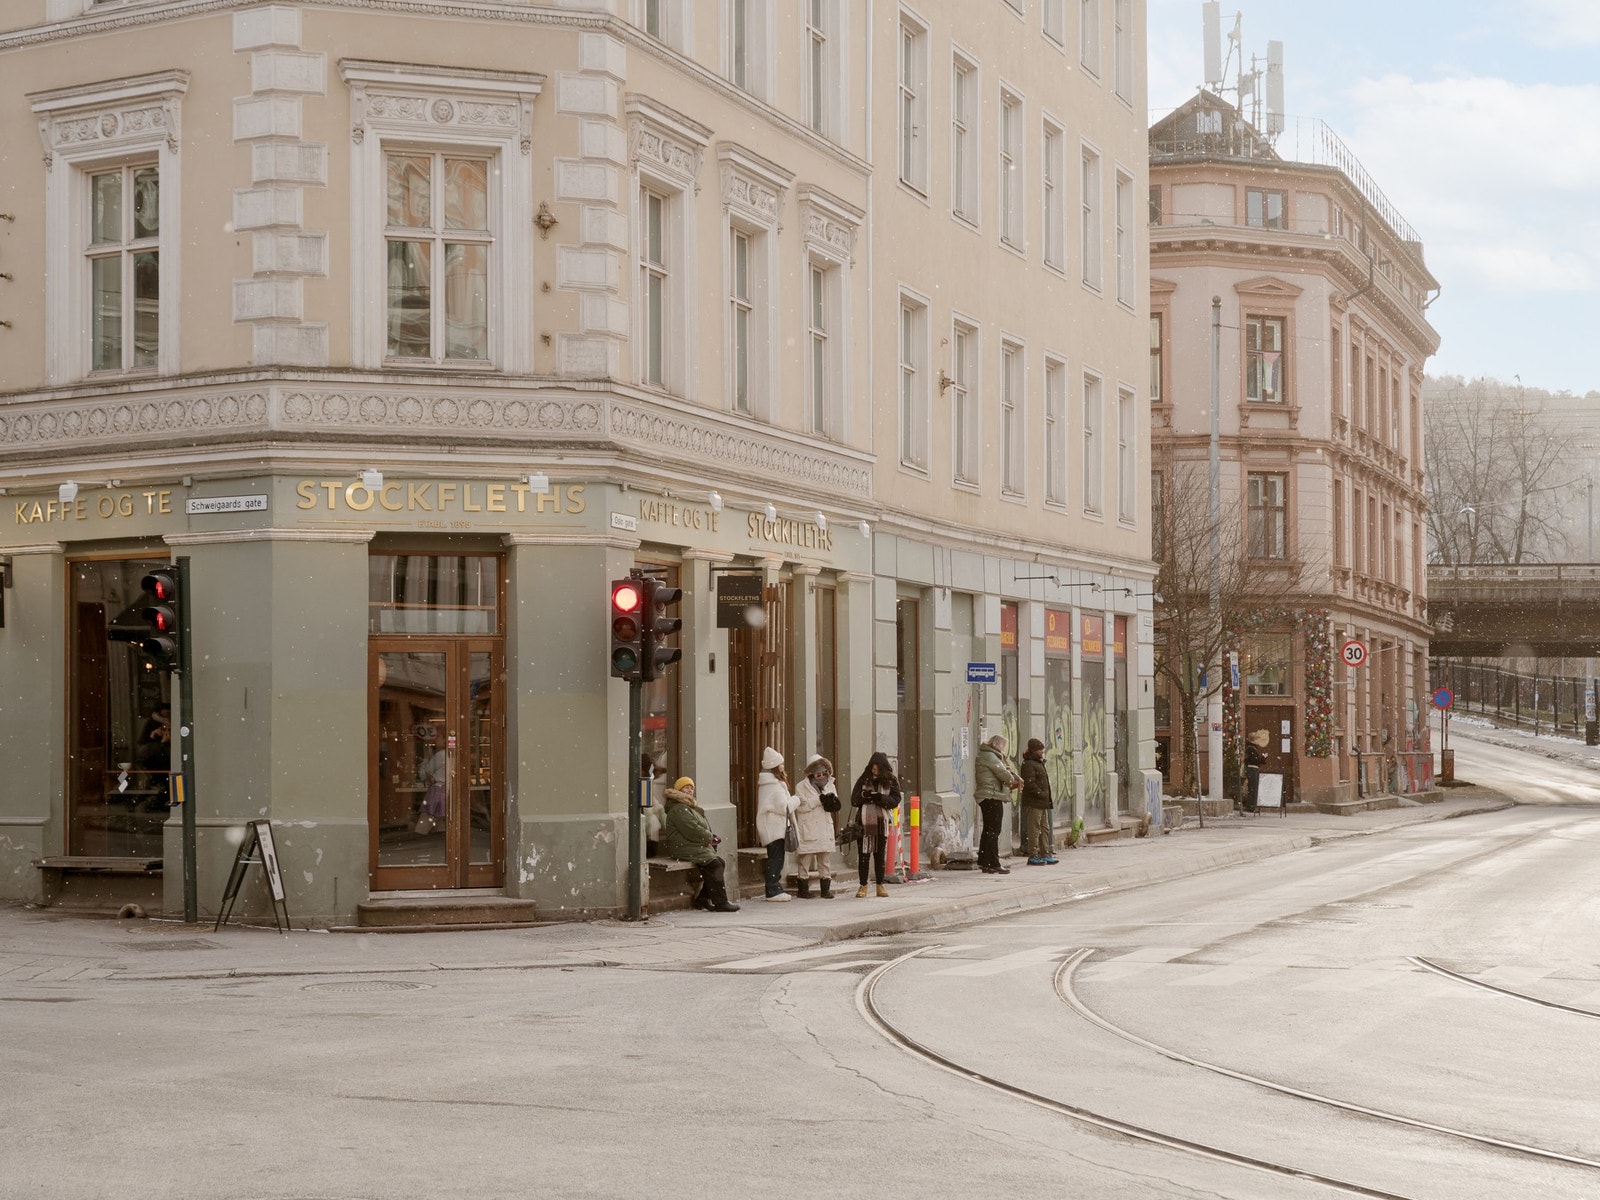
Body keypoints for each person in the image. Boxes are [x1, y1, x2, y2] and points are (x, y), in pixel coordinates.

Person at [661, 777, 739, 912]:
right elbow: (692, 830)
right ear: (678, 790)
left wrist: (710, 837)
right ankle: (721, 903)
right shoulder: (679, 808)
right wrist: (709, 837)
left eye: (691, 787)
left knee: (719, 862)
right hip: (682, 847)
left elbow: (697, 828)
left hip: (690, 845)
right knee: (715, 865)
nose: (689, 790)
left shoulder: (687, 807)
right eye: (686, 787)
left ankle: (703, 899)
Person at [850, 752, 901, 898]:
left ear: (883, 768)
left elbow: (895, 800)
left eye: (877, 768)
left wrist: (880, 798)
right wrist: (865, 796)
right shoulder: (863, 779)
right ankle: (863, 885)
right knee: (864, 855)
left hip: (881, 822)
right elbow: (854, 800)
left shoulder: (890, 781)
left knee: (879, 855)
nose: (874, 770)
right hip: (864, 822)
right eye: (872, 768)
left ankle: (880, 885)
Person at [792, 755, 841, 898]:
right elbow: (801, 807)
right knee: (805, 861)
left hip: (824, 828)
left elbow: (834, 806)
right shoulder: (801, 786)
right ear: (811, 773)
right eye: (817, 774)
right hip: (809, 827)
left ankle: (825, 890)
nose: (820, 776)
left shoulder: (831, 784)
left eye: (823, 773)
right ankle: (803, 890)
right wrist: (818, 799)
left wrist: (831, 801)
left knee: (824, 861)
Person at [974, 734, 1021, 874]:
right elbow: (1003, 774)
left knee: (988, 830)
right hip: (991, 796)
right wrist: (1013, 779)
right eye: (1003, 746)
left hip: (987, 796)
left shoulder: (985, 754)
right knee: (994, 830)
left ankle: (984, 861)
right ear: (997, 745)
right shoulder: (990, 756)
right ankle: (993, 862)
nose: (1003, 749)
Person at [755, 747, 797, 902]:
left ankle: (775, 887)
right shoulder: (773, 785)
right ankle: (772, 889)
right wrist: (797, 799)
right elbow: (784, 807)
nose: (783, 767)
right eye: (781, 764)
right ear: (775, 766)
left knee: (776, 857)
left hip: (773, 826)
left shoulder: (769, 783)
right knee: (776, 859)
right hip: (774, 827)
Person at [1020, 738, 1057, 865]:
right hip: (1034, 802)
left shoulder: (1038, 763)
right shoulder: (1029, 764)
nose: (1042, 751)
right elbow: (1030, 784)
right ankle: (1033, 855)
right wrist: (1041, 794)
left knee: (1044, 828)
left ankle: (1045, 853)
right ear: (1034, 750)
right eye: (1040, 749)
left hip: (1042, 802)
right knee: (1034, 829)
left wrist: (1044, 796)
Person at [1244, 729, 1268, 813]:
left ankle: (1252, 805)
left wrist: (1262, 758)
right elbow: (1254, 760)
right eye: (1257, 739)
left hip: (1253, 768)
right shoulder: (1251, 749)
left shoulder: (1252, 748)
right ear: (1254, 740)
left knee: (1253, 788)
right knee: (1253, 788)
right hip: (1252, 769)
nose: (1259, 741)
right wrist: (1262, 758)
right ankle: (1251, 806)